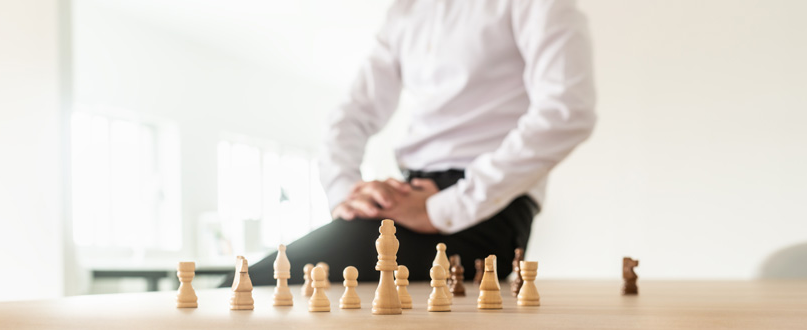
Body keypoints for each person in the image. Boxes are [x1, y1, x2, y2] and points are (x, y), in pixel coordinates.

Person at [243, 0, 596, 285]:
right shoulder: (404, 12)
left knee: (262, 281)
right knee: (263, 280)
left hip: (487, 208)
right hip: (409, 197)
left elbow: (566, 111)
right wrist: (346, 195)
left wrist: (442, 209)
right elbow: (350, 115)